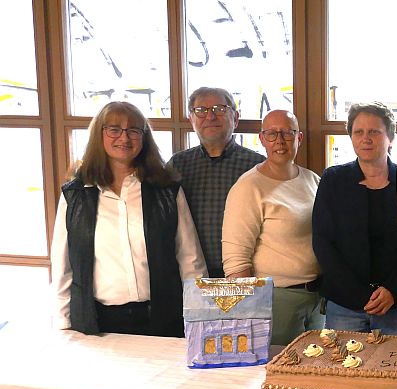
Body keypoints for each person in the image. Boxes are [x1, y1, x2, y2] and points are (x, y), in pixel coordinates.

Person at [50, 101, 206, 338]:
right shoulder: (76, 195)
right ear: (99, 135)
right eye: (114, 129)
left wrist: (199, 319)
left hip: (162, 319)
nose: (124, 138)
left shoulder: (167, 190)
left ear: (144, 138)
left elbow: (190, 260)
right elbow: (63, 268)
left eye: (134, 130)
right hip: (97, 324)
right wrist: (63, 326)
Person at [222, 109, 323, 346]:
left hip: (316, 299)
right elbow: (236, 261)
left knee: (311, 375)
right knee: (272, 376)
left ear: (299, 138)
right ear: (261, 139)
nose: (279, 140)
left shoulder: (311, 180)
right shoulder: (248, 187)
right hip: (274, 301)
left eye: (287, 133)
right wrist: (250, 313)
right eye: (271, 134)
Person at [312, 102, 397, 334]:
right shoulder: (333, 180)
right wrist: (360, 295)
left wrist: (393, 290)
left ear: (390, 137)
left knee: (392, 369)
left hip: (396, 304)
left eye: (374, 132)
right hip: (345, 305)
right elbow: (323, 242)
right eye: (359, 132)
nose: (366, 138)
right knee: (345, 367)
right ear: (351, 137)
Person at [168, 87, 265, 278]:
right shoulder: (177, 166)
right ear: (191, 119)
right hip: (189, 275)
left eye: (219, 109)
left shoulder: (257, 165)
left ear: (235, 118)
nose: (210, 117)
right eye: (201, 111)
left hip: (246, 273)